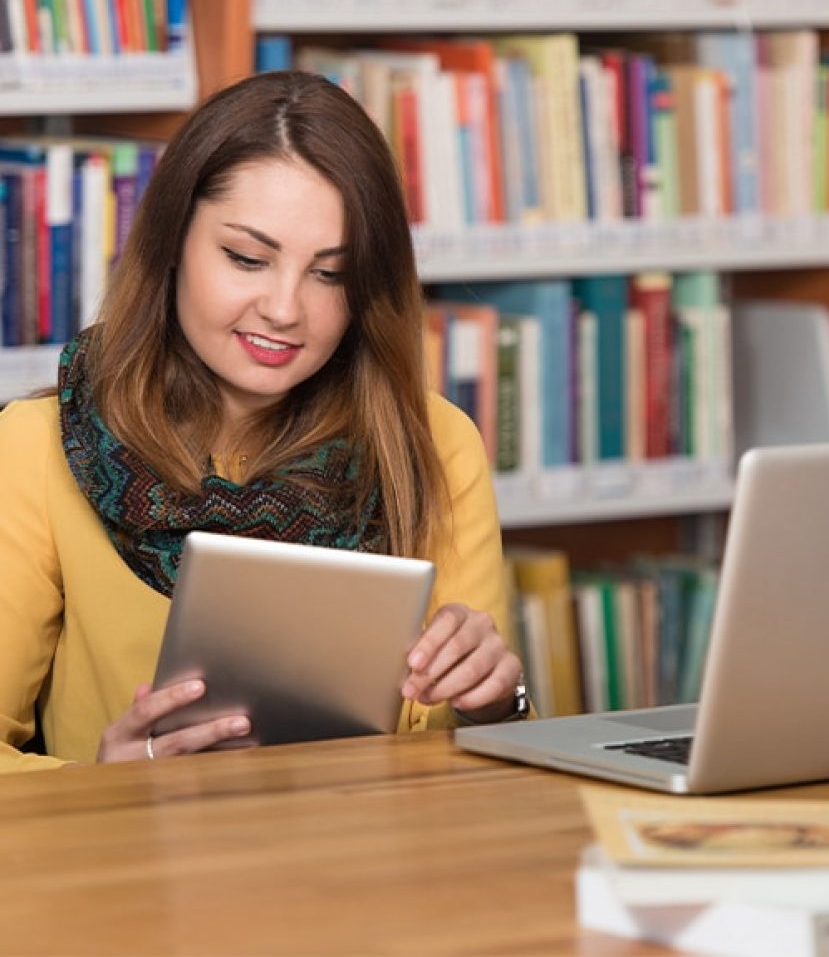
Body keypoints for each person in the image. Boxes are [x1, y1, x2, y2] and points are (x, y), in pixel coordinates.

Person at [0, 70, 526, 775]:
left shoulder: (434, 443)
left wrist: (496, 701)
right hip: (128, 874)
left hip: (368, 869)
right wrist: (99, 790)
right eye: (248, 258)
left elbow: (484, 762)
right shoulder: (36, 448)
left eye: (330, 274)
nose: (284, 309)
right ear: (171, 244)